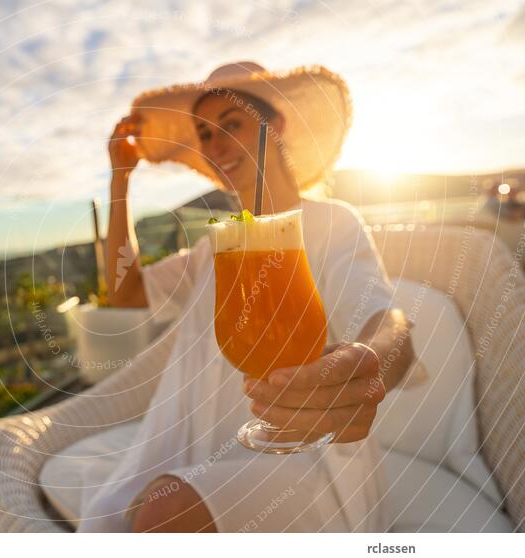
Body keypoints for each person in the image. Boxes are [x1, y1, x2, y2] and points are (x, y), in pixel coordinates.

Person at [77, 61, 415, 533]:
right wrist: (120, 181)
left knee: (162, 513)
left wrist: (368, 363)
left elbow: (387, 321)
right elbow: (126, 292)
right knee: (145, 509)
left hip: (308, 456)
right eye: (204, 134)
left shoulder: (331, 222)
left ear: (273, 126)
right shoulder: (214, 248)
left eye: (230, 125)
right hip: (200, 451)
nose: (214, 145)